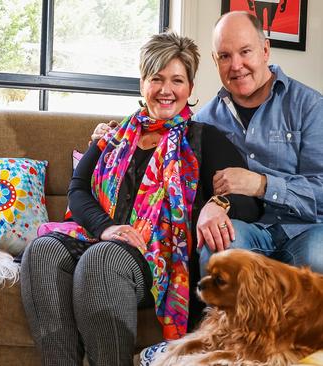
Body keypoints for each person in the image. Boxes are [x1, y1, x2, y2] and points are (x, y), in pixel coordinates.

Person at [19, 32, 261, 366]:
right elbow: (78, 187)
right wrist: (106, 228)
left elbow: (250, 201)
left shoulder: (203, 139)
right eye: (157, 78)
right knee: (41, 250)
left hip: (156, 261)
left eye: (177, 80)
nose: (166, 89)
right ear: (142, 83)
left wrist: (217, 204)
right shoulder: (117, 135)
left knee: (103, 258)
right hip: (101, 240)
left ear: (190, 88)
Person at [195, 11, 323, 277]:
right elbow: (166, 149)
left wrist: (261, 185)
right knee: (218, 251)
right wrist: (113, 137)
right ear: (214, 61)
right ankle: (229, 321)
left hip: (305, 230)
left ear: (265, 50)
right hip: (245, 230)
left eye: (245, 52)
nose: (236, 65)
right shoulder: (204, 120)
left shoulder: (310, 106)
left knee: (317, 258)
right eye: (225, 56)